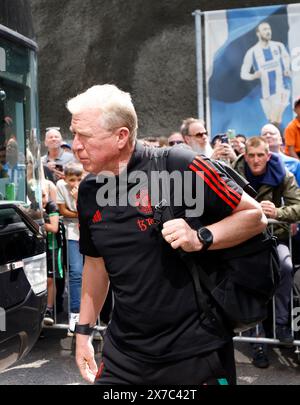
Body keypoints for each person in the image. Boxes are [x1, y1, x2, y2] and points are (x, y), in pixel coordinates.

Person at [67, 84, 267, 385]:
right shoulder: (89, 192)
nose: (75, 145)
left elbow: (254, 216)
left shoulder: (177, 165)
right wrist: (83, 333)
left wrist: (200, 236)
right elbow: (96, 265)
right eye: (74, 134)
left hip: (197, 354)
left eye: (84, 136)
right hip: (124, 356)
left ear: (121, 136)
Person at [233, 137, 300, 368]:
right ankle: (258, 341)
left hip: (275, 237)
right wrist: (249, 210)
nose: (255, 160)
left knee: (286, 267)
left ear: (268, 155)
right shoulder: (234, 170)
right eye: (251, 155)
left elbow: (298, 205)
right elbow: (220, 203)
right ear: (245, 155)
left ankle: (282, 326)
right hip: (244, 239)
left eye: (260, 155)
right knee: (248, 276)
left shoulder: (283, 173)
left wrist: (278, 212)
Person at [240, 21, 291, 126]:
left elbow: (286, 57)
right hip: (266, 94)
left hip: (281, 90)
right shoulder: (252, 52)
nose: (268, 32)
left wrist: (286, 68)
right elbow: (243, 73)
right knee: (272, 123)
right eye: (265, 29)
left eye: (269, 29)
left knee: (275, 120)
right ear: (258, 33)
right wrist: (253, 75)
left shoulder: (278, 46)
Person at [56, 162, 84, 335]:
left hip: (89, 232)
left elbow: (90, 210)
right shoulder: (60, 186)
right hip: (73, 233)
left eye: (79, 179)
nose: (75, 183)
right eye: (72, 179)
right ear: (65, 178)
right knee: (75, 272)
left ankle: (93, 314)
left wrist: (78, 199)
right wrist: (79, 213)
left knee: (94, 274)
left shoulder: (87, 185)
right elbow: (63, 211)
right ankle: (75, 313)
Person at [42, 182, 64, 326]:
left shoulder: (51, 206)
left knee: (51, 279)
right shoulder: (33, 206)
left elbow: (54, 228)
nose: (42, 198)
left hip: (53, 247)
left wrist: (36, 222)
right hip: (40, 248)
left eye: (44, 195)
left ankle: (49, 309)